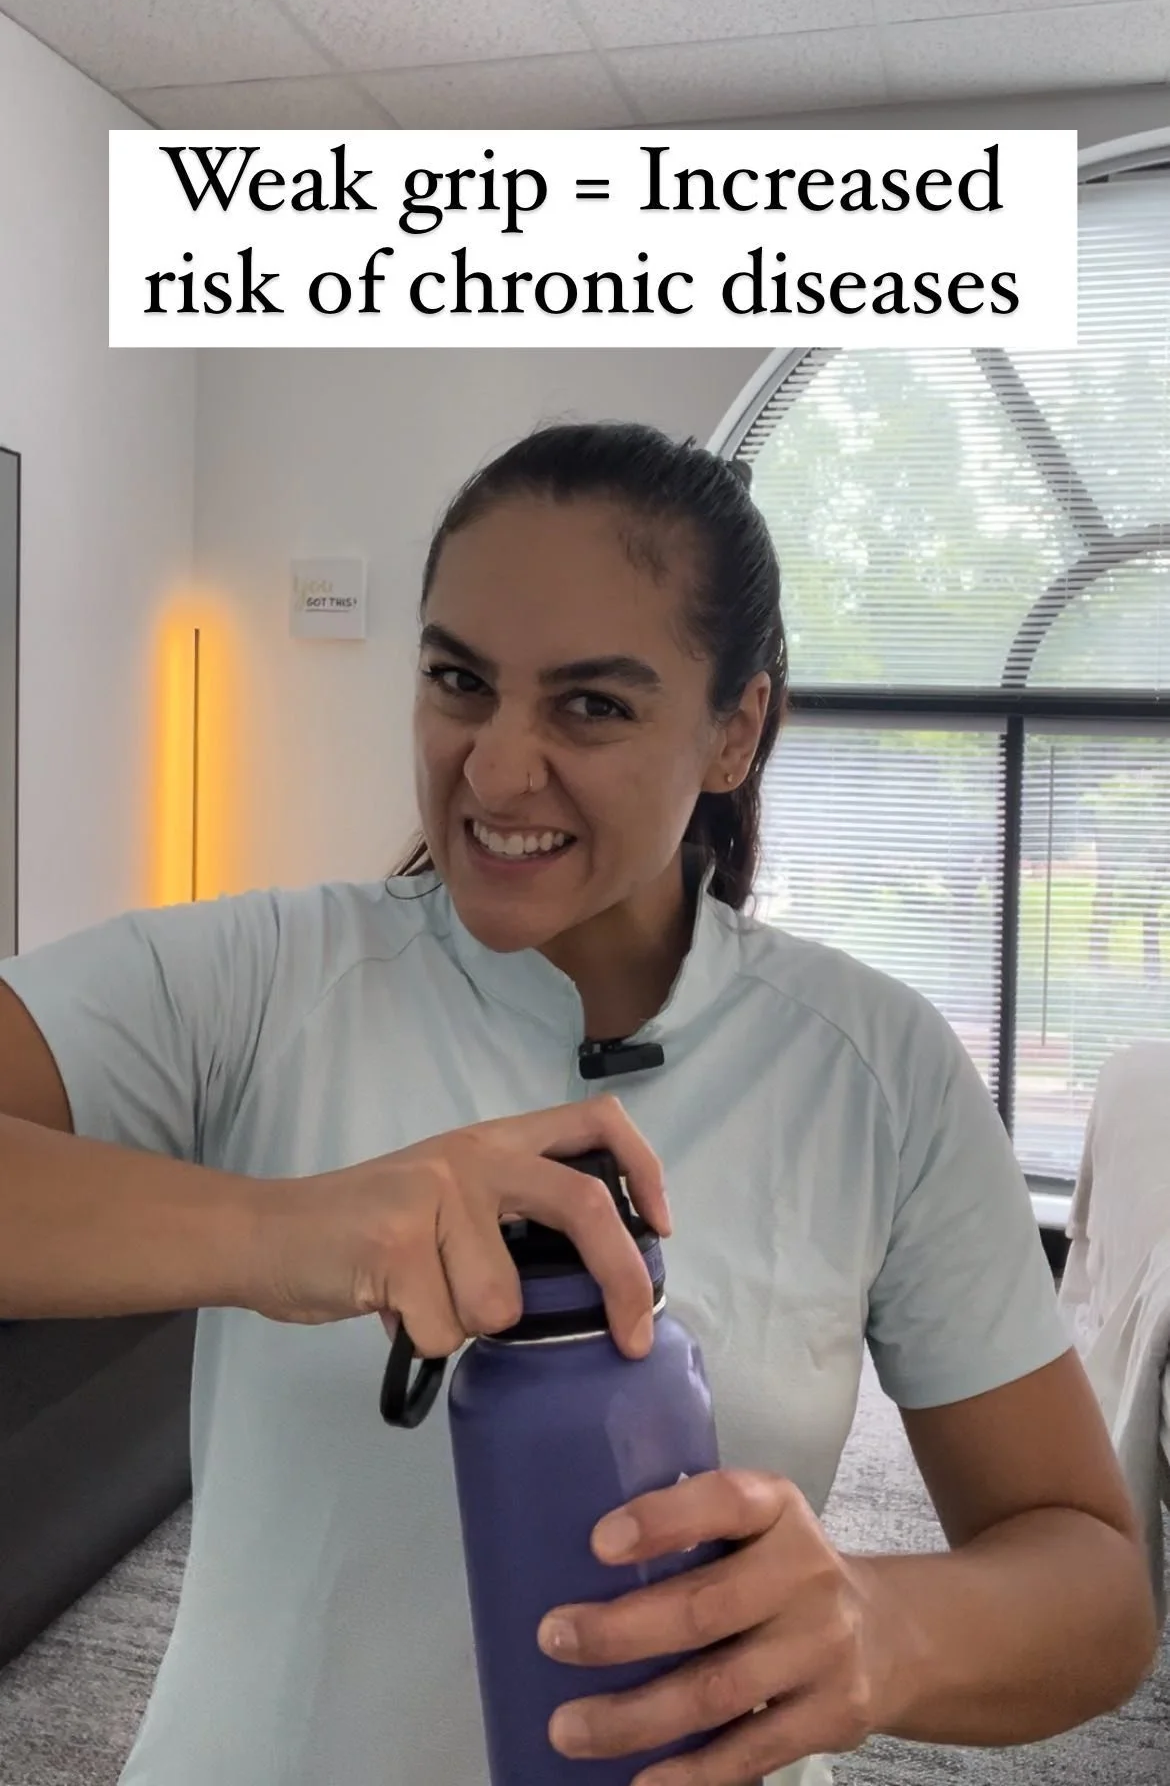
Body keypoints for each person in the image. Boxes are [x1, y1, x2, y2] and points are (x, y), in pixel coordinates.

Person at [0, 421, 1156, 1786]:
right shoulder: (260, 979)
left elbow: (1094, 1594)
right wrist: (287, 1229)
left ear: (734, 732)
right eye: (458, 681)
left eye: (592, 706)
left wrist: (875, 1627)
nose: (494, 770)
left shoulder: (877, 1070)